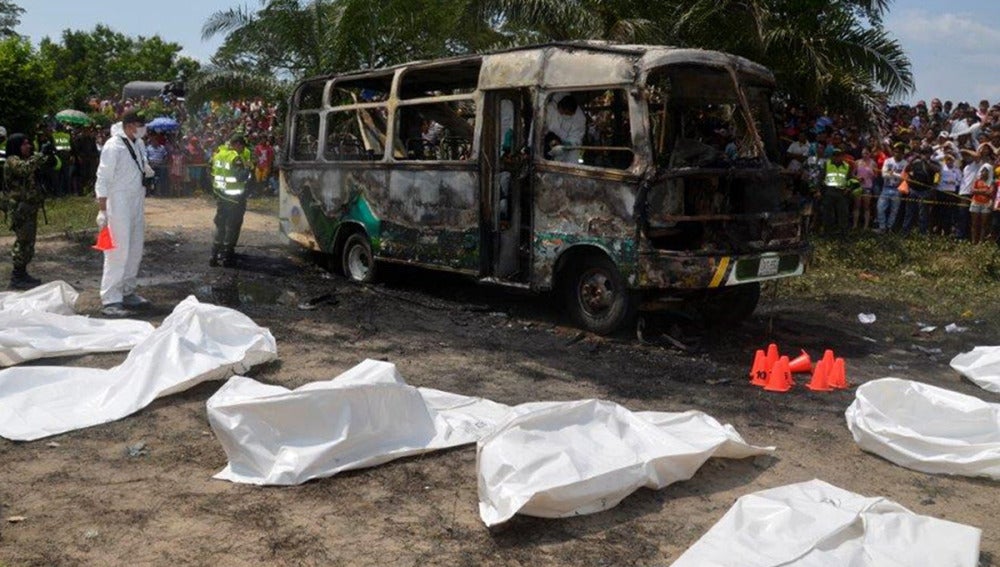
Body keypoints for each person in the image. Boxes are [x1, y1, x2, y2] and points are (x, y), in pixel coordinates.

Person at [95, 112, 155, 317]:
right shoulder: (113, 146)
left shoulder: (137, 143)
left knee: (135, 249)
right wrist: (102, 210)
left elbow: (139, 165)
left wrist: (146, 170)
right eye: (140, 125)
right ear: (129, 126)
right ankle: (111, 298)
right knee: (117, 251)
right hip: (118, 202)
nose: (143, 129)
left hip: (136, 200)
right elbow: (102, 178)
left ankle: (127, 291)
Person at [3, 133, 55, 289]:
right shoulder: (12, 161)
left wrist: (49, 155)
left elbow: (46, 165)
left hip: (29, 207)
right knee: (22, 242)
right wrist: (40, 155)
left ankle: (22, 272)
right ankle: (17, 276)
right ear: (16, 146)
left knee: (29, 243)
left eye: (28, 143)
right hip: (20, 209)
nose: (28, 146)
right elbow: (24, 169)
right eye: (24, 144)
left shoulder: (27, 159)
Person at [210, 133, 253, 267]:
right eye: (242, 146)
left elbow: (211, 173)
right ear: (237, 144)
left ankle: (214, 255)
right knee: (232, 226)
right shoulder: (235, 158)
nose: (242, 149)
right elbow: (240, 177)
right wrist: (248, 168)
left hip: (221, 196)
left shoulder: (218, 155)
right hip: (234, 198)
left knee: (220, 224)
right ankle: (227, 256)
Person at [820, 147, 852, 238]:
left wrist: (848, 188)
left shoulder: (847, 166)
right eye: (835, 155)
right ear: (832, 156)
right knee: (828, 214)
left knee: (843, 214)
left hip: (842, 193)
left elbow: (850, 179)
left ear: (842, 156)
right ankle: (827, 233)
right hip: (829, 191)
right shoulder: (827, 164)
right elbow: (821, 178)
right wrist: (819, 190)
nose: (837, 157)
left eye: (839, 155)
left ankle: (844, 234)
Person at [544, 93, 586, 163]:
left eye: (566, 113)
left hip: (571, 149)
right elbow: (550, 128)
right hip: (553, 144)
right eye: (561, 111)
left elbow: (577, 137)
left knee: (571, 165)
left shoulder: (580, 119)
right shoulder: (551, 108)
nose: (562, 114)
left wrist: (568, 143)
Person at [876, 142, 907, 232]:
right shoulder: (888, 161)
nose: (897, 153)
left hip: (898, 189)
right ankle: (882, 227)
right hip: (886, 187)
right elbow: (883, 174)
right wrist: (897, 175)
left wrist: (892, 173)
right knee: (880, 208)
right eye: (896, 151)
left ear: (903, 153)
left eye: (899, 152)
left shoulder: (905, 163)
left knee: (894, 210)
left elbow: (904, 177)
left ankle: (889, 227)